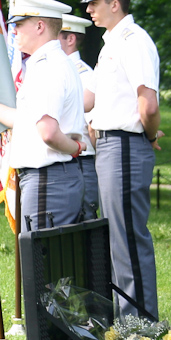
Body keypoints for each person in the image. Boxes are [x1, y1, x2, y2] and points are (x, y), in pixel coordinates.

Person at [0, 0, 85, 233]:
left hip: (47, 180)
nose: (14, 31)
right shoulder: (50, 62)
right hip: (50, 179)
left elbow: (48, 132)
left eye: (19, 24)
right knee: (50, 263)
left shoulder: (47, 67)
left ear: (40, 26)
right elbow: (26, 122)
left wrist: (75, 149)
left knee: (43, 265)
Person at [82, 0, 162, 319]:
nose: (89, 10)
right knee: (119, 240)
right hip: (112, 147)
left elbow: (148, 103)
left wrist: (145, 135)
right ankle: (130, 324)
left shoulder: (133, 40)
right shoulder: (112, 42)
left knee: (128, 239)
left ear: (115, 3)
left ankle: (141, 329)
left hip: (126, 146)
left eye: (94, 3)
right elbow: (93, 99)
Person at [60, 13, 99, 220]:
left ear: (71, 39)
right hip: (64, 159)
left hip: (82, 162)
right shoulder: (60, 71)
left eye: (56, 34)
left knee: (85, 220)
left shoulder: (83, 75)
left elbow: (93, 126)